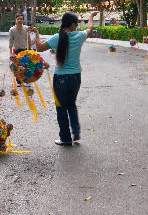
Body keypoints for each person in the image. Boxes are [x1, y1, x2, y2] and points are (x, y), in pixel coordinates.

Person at [30, 11, 98, 146]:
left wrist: (36, 33)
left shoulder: (57, 37)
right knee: (71, 104)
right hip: (76, 76)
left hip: (61, 77)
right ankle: (76, 130)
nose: (77, 26)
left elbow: (39, 48)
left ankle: (65, 138)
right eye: (76, 24)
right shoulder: (79, 36)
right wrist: (91, 16)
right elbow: (90, 28)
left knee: (61, 107)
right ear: (72, 25)